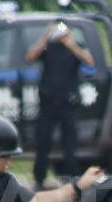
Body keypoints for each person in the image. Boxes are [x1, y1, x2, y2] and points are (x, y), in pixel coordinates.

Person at [24, 20, 94, 190]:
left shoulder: (75, 47)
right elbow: (29, 58)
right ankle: (39, 177)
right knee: (43, 140)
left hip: (68, 102)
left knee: (69, 142)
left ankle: (70, 177)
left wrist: (71, 44)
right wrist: (45, 37)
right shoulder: (48, 48)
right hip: (48, 101)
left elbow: (90, 62)